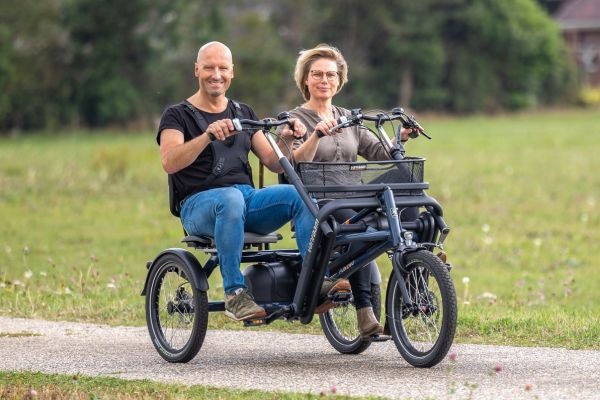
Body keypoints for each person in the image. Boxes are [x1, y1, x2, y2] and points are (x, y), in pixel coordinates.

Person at [156, 41, 350, 322]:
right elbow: (169, 161)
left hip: (244, 200)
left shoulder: (242, 112)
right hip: (198, 205)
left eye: (223, 68)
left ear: (232, 73)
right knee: (230, 199)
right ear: (197, 70)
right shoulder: (177, 115)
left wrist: (290, 136)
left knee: (299, 195)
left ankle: (316, 281)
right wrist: (207, 136)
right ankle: (235, 293)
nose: (216, 74)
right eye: (209, 67)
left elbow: (274, 160)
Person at [278, 44, 418, 339]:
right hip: (319, 200)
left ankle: (418, 261)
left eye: (330, 75)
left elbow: (378, 153)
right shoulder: (293, 120)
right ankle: (365, 313)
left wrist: (399, 139)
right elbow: (290, 164)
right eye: (317, 74)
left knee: (408, 188)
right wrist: (316, 134)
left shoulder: (348, 118)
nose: (324, 80)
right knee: (363, 228)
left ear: (339, 81)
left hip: (356, 196)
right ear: (305, 80)